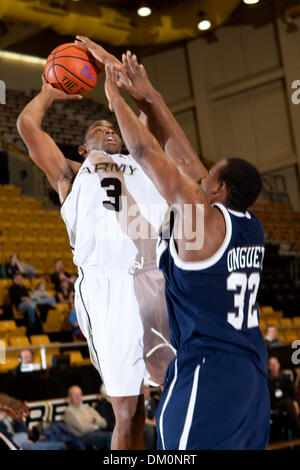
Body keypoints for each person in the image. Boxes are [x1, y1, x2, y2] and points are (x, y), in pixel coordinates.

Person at [16, 51, 185, 450]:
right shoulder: (73, 174)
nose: (108, 131)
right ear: (81, 147)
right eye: (98, 129)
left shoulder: (142, 161)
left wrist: (133, 88)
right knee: (129, 410)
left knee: (181, 382)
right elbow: (27, 126)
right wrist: (48, 91)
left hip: (156, 278)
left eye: (113, 128)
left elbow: (151, 121)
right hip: (107, 289)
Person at [103, 55, 270, 450]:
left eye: (209, 175)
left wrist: (113, 95)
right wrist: (151, 99)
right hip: (252, 376)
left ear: (219, 190)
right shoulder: (248, 224)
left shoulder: (199, 222)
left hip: (209, 375)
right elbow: (184, 157)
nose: (201, 173)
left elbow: (146, 154)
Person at [268, 356, 300, 437]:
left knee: (290, 402)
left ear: (279, 365)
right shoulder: (267, 380)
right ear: (268, 367)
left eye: (275, 364)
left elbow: (292, 392)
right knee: (287, 402)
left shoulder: (285, 377)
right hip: (275, 403)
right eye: (271, 364)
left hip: (289, 402)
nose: (274, 366)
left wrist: (295, 402)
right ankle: (298, 427)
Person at [0, 411, 66, 450]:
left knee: (36, 445)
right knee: (34, 445)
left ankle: (60, 445)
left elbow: (22, 430)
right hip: (14, 442)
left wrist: (18, 417)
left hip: (21, 440)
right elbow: (6, 438)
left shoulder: (10, 416)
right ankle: (60, 445)